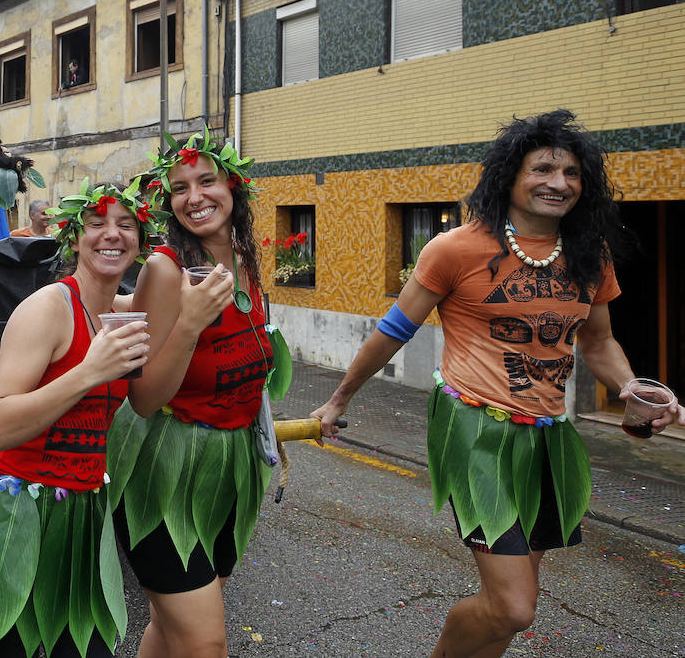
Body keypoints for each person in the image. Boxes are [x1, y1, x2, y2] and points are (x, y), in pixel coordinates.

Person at [310, 109, 684, 658]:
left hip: (549, 439)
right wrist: (337, 399)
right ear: (510, 175)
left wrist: (629, 389)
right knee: (513, 605)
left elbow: (599, 342)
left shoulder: (589, 256)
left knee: (508, 612)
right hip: (475, 433)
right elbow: (393, 330)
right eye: (543, 169)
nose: (559, 183)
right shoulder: (455, 248)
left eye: (572, 173)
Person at [0, 180, 156, 657]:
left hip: (80, 513)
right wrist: (88, 372)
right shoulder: (47, 309)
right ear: (72, 236)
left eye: (127, 225)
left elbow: (176, 298)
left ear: (141, 241)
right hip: (14, 512)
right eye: (97, 224)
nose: (113, 234)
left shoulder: (119, 313)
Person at [109, 131, 286, 658]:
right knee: (205, 644)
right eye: (181, 187)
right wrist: (188, 323)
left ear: (234, 188)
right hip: (163, 465)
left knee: (172, 629)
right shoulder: (165, 271)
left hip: (229, 469)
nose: (195, 197)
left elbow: (251, 361)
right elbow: (142, 398)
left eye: (207, 180)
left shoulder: (245, 259)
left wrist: (267, 429)